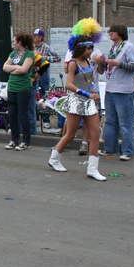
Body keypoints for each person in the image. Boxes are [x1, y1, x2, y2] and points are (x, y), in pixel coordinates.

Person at [49, 33, 106, 180]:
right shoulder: (73, 63)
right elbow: (69, 85)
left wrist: (93, 91)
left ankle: (92, 169)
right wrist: (88, 94)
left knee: (95, 133)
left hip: (89, 101)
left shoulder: (88, 62)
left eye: (92, 48)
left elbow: (90, 80)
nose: (90, 50)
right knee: (71, 134)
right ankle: (54, 159)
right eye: (88, 48)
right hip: (76, 101)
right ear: (80, 48)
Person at [96, 24, 134, 160]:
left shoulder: (128, 47)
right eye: (109, 31)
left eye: (113, 31)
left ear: (120, 33)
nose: (110, 33)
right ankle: (110, 148)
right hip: (110, 89)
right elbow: (106, 69)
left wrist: (118, 63)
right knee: (110, 121)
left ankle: (127, 151)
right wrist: (101, 63)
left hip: (124, 90)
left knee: (125, 122)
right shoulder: (113, 48)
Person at [2, 33, 35, 151]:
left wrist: (13, 69)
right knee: (12, 115)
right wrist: (17, 69)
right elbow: (5, 67)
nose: (13, 44)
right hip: (12, 87)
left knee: (23, 114)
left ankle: (26, 140)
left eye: (14, 41)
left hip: (24, 88)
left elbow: (25, 69)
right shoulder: (13, 54)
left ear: (20, 42)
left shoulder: (29, 54)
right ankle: (14, 139)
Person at [33, 29, 62, 130]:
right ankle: (34, 119)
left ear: (40, 37)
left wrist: (46, 58)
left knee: (43, 96)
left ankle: (46, 120)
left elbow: (58, 58)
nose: (34, 37)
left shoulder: (47, 48)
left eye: (35, 36)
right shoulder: (32, 48)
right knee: (33, 95)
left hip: (43, 74)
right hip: (32, 73)